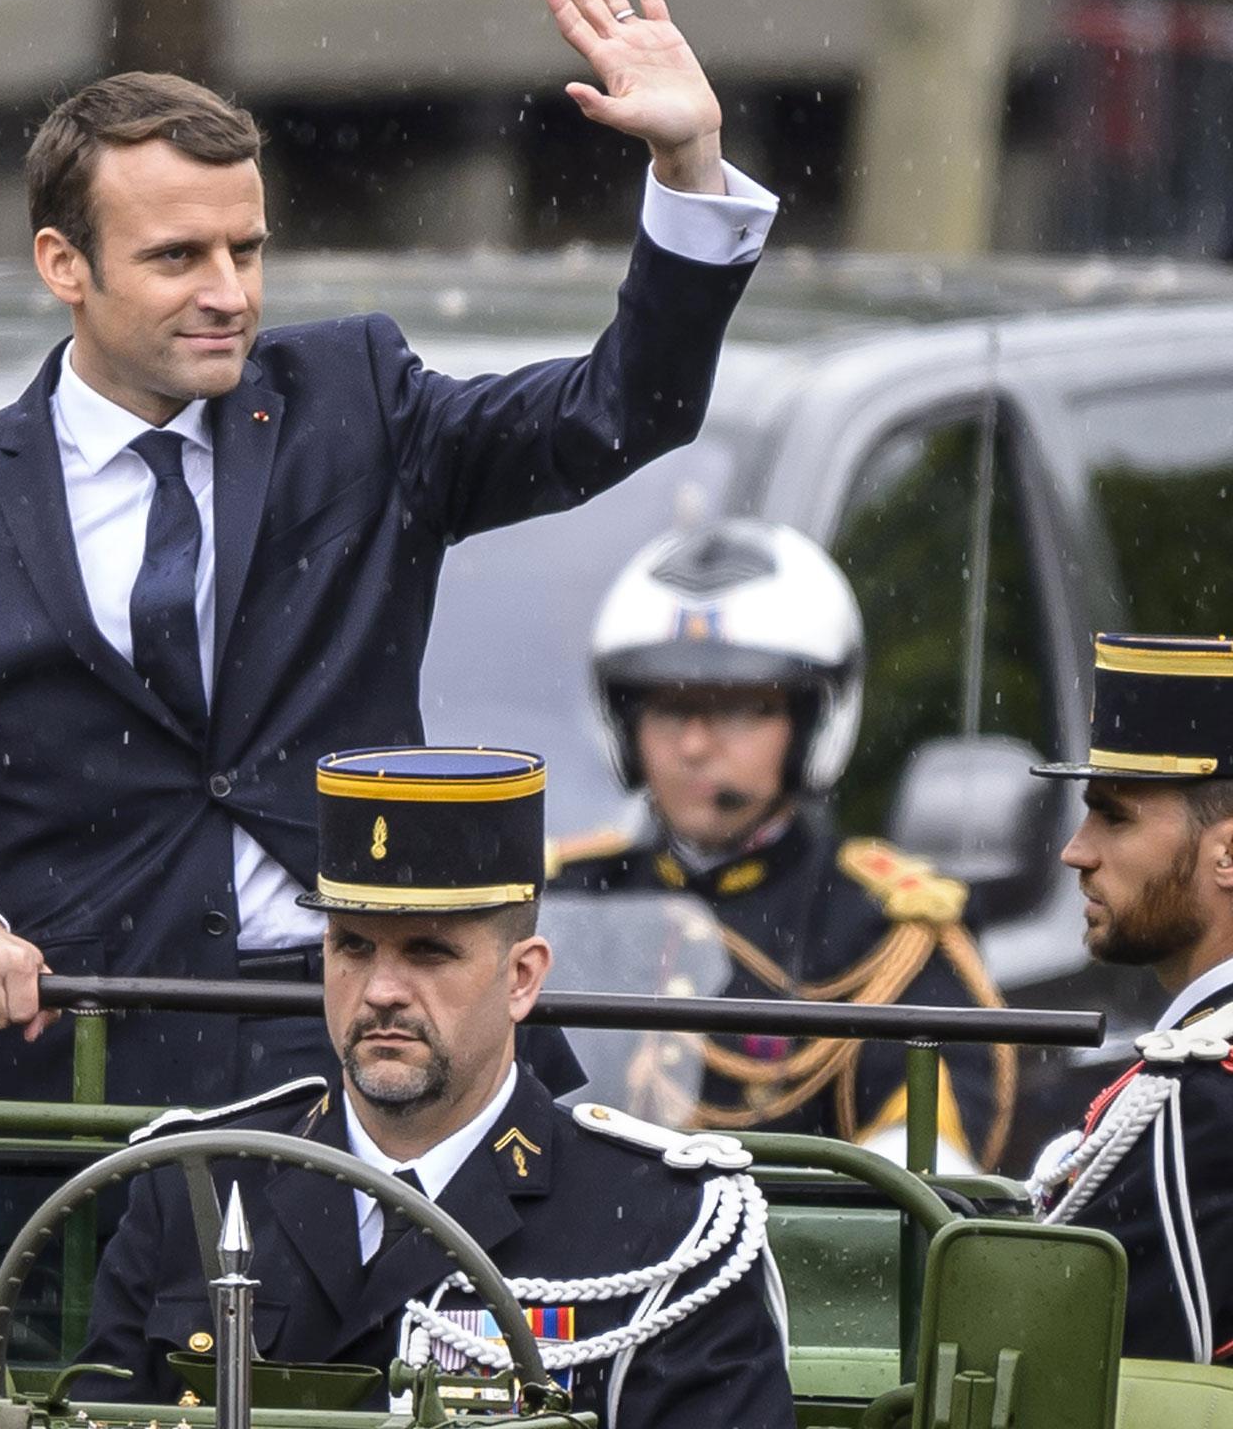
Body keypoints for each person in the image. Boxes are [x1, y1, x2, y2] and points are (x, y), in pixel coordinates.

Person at [0, 0, 780, 1108]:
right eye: (176, 257)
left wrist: (686, 162)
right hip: (82, 1061)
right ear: (61, 265)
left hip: (372, 1047)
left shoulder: (352, 399)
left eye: (246, 248)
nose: (228, 292)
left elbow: (623, 412)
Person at [80, 747, 793, 1427]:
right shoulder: (195, 1186)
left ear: (522, 978)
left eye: (429, 951)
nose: (382, 990)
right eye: (352, 946)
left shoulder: (662, 1223)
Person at [547, 520, 1013, 1170]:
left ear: (813, 722)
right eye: (667, 707)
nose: (694, 745)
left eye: (736, 708)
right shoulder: (555, 900)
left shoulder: (885, 931)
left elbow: (924, 1169)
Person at [1024, 634, 1233, 1364]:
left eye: (1114, 816)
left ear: (1228, 855)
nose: (1076, 851)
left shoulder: (1199, 1099)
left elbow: (1126, 1378)